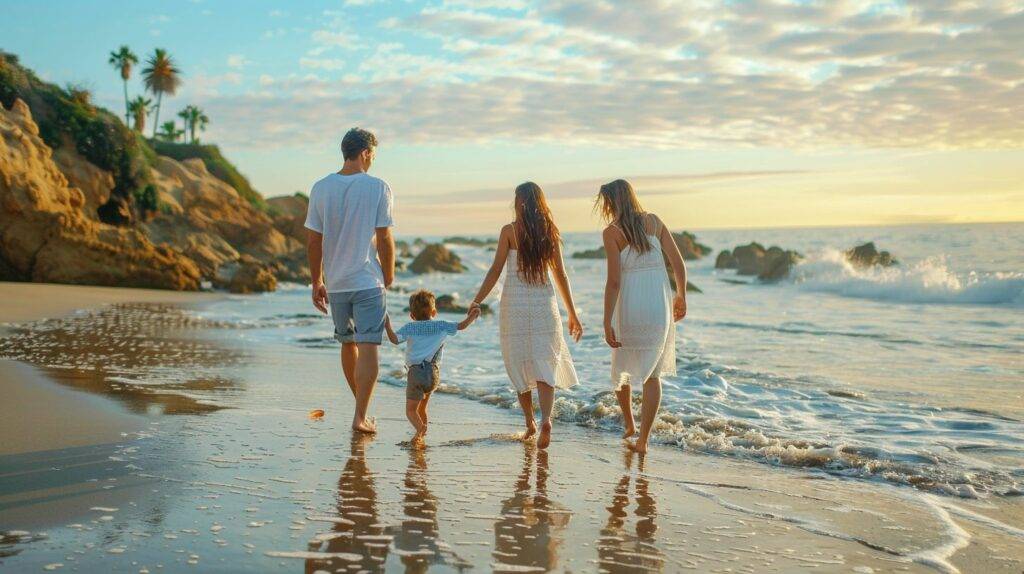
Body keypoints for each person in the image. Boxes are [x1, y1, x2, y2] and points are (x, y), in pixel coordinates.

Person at [469, 182, 582, 450]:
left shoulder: (509, 231)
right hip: (545, 304)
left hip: (515, 305)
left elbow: (495, 270)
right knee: (545, 365)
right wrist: (573, 314)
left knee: (519, 363)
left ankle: (530, 422)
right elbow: (561, 275)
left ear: (520, 201)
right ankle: (546, 420)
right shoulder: (550, 233)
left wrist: (477, 300)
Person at [305, 127, 395, 434]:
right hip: (368, 280)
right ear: (366, 153)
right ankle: (360, 415)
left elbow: (314, 241)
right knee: (368, 345)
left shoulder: (320, 187)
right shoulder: (378, 187)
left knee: (348, 343)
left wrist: (317, 280)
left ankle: (361, 410)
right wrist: (390, 273)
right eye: (373, 155)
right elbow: (384, 238)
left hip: (338, 283)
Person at [597, 179, 687, 454]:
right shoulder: (654, 221)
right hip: (658, 305)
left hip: (630, 305)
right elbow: (677, 262)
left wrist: (606, 320)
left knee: (621, 367)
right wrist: (681, 294)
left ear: (611, 202)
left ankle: (629, 424)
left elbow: (614, 282)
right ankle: (643, 441)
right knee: (652, 374)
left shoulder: (611, 232)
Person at [385, 290, 479, 445]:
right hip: (433, 374)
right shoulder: (441, 325)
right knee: (422, 409)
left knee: (410, 411)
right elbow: (462, 326)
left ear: (412, 315)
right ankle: (422, 437)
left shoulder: (410, 327)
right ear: (434, 312)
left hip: (416, 373)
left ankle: (420, 429)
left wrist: (387, 325)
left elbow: (394, 340)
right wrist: (472, 316)